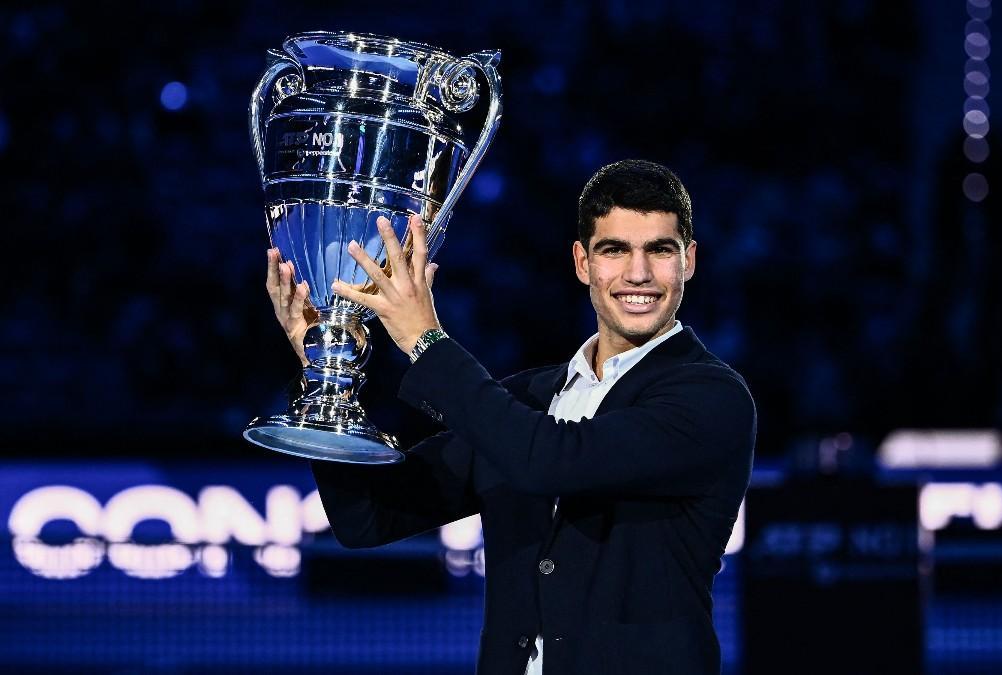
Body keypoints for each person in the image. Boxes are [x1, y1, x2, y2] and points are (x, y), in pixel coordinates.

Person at [265, 159, 756, 675]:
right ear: (582, 262)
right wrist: (322, 367)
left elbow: (549, 462)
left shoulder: (710, 397)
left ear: (689, 261)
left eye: (660, 250)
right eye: (615, 250)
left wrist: (425, 341)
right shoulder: (528, 399)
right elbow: (367, 518)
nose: (638, 273)